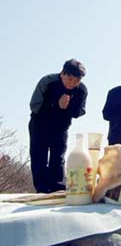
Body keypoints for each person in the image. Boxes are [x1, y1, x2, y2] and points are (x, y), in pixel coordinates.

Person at [29, 59, 88, 193]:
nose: (72, 84)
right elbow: (35, 105)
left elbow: (79, 111)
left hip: (61, 127)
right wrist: (56, 104)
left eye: (76, 81)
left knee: (58, 157)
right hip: (40, 124)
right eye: (70, 79)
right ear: (63, 74)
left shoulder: (82, 90)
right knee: (39, 157)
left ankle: (57, 188)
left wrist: (68, 105)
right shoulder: (47, 81)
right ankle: (42, 190)